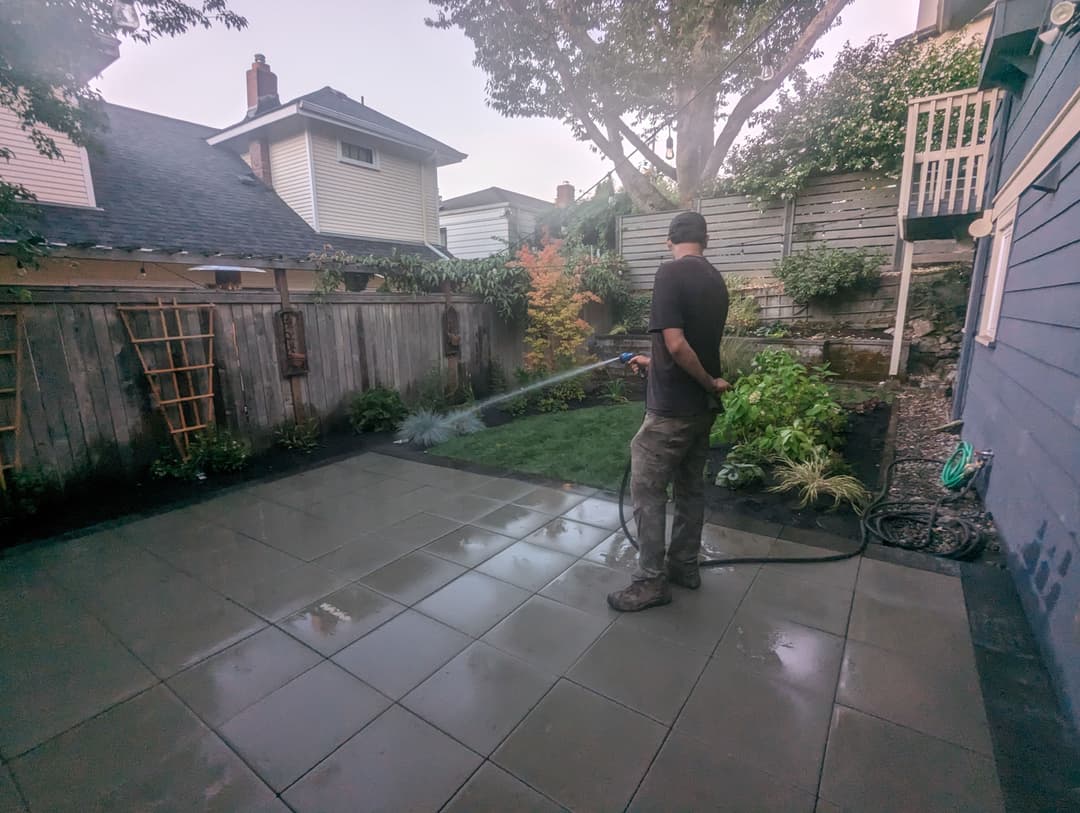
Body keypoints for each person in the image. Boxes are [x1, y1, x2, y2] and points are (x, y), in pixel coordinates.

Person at [607, 211, 730, 612]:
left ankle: (650, 582)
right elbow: (687, 345)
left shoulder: (669, 274)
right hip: (700, 410)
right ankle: (684, 566)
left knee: (647, 491)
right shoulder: (716, 280)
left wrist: (707, 381)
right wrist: (651, 360)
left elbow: (677, 345)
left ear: (668, 241)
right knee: (691, 489)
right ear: (706, 240)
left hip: (672, 410)